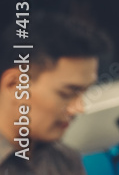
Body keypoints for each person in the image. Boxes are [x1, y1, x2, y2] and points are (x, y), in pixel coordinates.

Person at [0, 13, 109, 174]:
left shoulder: (65, 160)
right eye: (66, 94)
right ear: (14, 85)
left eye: (84, 92)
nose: (78, 109)